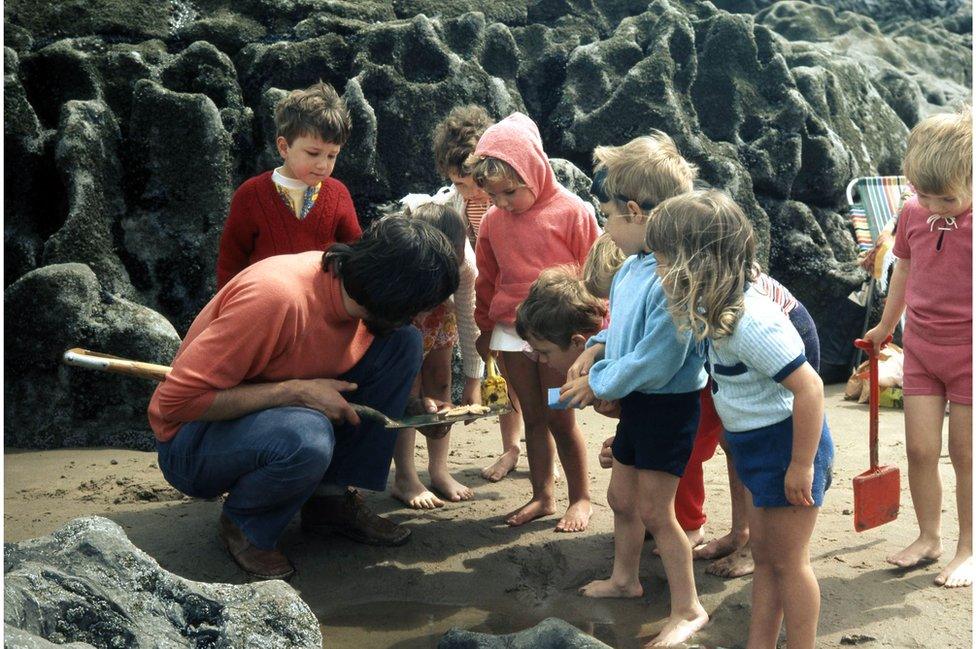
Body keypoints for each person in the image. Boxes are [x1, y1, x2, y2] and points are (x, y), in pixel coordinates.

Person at [149, 218, 460, 580]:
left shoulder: (360, 299)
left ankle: (328, 499)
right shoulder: (276, 298)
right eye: (416, 308)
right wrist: (294, 391)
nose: (418, 317)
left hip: (274, 417)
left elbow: (355, 385)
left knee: (403, 343)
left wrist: (414, 413)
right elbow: (172, 404)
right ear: (391, 295)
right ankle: (246, 526)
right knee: (307, 434)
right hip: (193, 445)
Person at [646, 189, 834, 649]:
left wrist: (801, 465)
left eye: (664, 260)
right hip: (756, 445)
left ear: (698, 263)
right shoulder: (711, 310)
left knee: (790, 563)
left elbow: (810, 388)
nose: (658, 271)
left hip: (787, 445)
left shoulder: (752, 321)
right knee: (767, 559)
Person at [558, 143, 709, 646]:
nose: (604, 230)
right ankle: (626, 578)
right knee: (620, 496)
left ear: (635, 212)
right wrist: (596, 350)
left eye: (606, 218)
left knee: (656, 513)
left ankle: (688, 608)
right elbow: (618, 328)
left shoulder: (673, 277)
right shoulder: (631, 267)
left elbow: (657, 359)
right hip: (639, 402)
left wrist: (596, 383)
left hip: (668, 405)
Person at [470, 112, 601, 531]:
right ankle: (542, 495)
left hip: (560, 335)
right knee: (532, 416)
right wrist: (485, 330)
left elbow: (597, 273)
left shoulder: (572, 212)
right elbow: (486, 280)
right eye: (494, 197)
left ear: (535, 169)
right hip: (512, 329)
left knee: (561, 415)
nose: (503, 204)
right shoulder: (492, 222)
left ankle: (580, 497)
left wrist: (600, 335)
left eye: (510, 192)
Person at [863, 106, 972, 588]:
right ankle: (929, 536)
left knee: (965, 454)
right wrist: (885, 325)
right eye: (923, 194)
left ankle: (968, 547)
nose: (932, 206)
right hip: (922, 348)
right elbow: (902, 270)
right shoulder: (912, 213)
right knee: (920, 448)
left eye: (945, 198)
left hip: (970, 354)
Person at [409, 105, 526, 484]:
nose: (471, 190)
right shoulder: (452, 205)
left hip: (509, 289)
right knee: (493, 370)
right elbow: (464, 300)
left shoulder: (504, 198)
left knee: (512, 374)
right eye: (459, 183)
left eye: (474, 180)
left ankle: (513, 447)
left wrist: (472, 381)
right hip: (471, 280)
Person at [215, 81, 361, 290]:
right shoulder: (250, 195)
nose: (323, 165)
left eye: (332, 155)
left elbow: (355, 253)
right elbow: (230, 261)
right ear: (284, 147)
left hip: (322, 310)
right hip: (264, 306)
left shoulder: (338, 194)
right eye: (313, 153)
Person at [391, 203, 484, 509]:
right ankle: (405, 476)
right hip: (405, 318)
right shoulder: (404, 255)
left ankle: (439, 470)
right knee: (410, 390)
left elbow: (470, 321)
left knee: (441, 383)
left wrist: (474, 379)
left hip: (442, 315)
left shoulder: (466, 266)